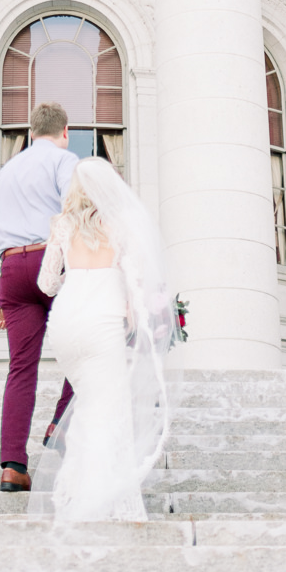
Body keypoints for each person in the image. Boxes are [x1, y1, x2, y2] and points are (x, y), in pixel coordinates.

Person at [30, 156, 173, 522]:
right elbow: (134, 279)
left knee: (89, 406)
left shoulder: (62, 225)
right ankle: (100, 499)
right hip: (102, 323)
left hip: (65, 325)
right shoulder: (122, 226)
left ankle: (78, 493)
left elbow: (45, 284)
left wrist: (72, 281)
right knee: (107, 410)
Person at [0, 100, 78, 493]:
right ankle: (60, 423)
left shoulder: (4, 173)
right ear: (64, 132)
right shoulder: (63, 161)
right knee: (84, 344)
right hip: (51, 262)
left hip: (11, 271)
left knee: (21, 367)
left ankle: (13, 466)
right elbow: (75, 212)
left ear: (30, 133)